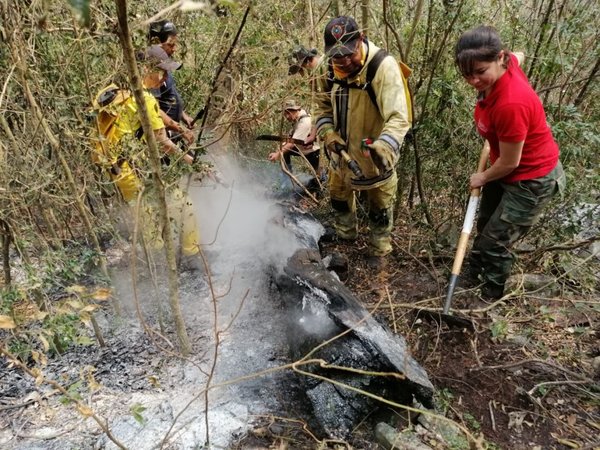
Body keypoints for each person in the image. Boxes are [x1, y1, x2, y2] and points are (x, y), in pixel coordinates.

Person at [455, 25, 565, 299]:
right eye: (467, 75)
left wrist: (481, 177)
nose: (474, 81)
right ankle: (473, 275)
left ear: (500, 58)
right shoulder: (507, 63)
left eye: (480, 72)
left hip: (531, 179)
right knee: (485, 224)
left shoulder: (511, 104)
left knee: (495, 241)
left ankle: (491, 295)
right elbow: (521, 54)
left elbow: (511, 162)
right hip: (503, 169)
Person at [91, 48, 202, 271]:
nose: (164, 80)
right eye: (161, 73)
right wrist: (197, 164)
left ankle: (159, 264)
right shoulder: (146, 99)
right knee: (181, 206)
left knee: (147, 214)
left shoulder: (119, 91)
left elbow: (153, 115)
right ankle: (188, 260)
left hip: (117, 169)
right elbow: (164, 142)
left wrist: (177, 126)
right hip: (133, 169)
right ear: (145, 69)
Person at [315, 16, 411, 269]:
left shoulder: (382, 67)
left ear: (360, 40)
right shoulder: (326, 69)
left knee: (379, 207)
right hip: (340, 157)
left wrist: (385, 145)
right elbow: (321, 107)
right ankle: (346, 233)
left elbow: (399, 117)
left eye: (349, 53)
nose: (344, 61)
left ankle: (379, 249)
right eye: (337, 56)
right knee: (338, 196)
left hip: (373, 159)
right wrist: (328, 133)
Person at [147, 20, 195, 147]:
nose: (174, 49)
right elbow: (153, 110)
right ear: (156, 43)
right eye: (171, 45)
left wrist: (184, 116)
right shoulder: (152, 70)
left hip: (172, 133)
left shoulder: (164, 63)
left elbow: (169, 93)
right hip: (162, 138)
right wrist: (181, 129)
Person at [268, 99, 320, 189]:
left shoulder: (304, 121)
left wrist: (277, 154)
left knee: (316, 180)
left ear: (296, 110)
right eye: (285, 114)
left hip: (312, 152)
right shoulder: (297, 119)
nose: (287, 116)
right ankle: (287, 181)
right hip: (301, 149)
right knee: (285, 152)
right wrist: (279, 151)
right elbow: (291, 139)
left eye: (288, 113)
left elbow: (292, 143)